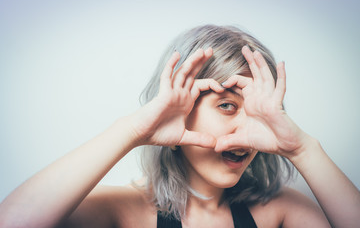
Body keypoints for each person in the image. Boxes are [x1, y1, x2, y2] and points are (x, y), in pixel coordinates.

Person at [0, 25, 359, 228]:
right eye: (228, 106)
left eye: (257, 112)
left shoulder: (278, 210)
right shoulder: (126, 211)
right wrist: (133, 131)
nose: (245, 131)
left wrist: (301, 149)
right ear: (179, 112)